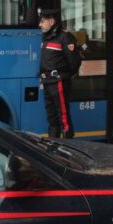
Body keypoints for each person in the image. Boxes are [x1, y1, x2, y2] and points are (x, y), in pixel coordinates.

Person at [38, 8, 81, 138]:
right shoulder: (46, 37)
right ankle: (53, 144)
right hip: (47, 82)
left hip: (58, 82)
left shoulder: (65, 37)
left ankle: (67, 144)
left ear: (51, 21)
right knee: (51, 117)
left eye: (43, 21)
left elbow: (74, 62)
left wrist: (65, 76)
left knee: (63, 117)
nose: (40, 24)